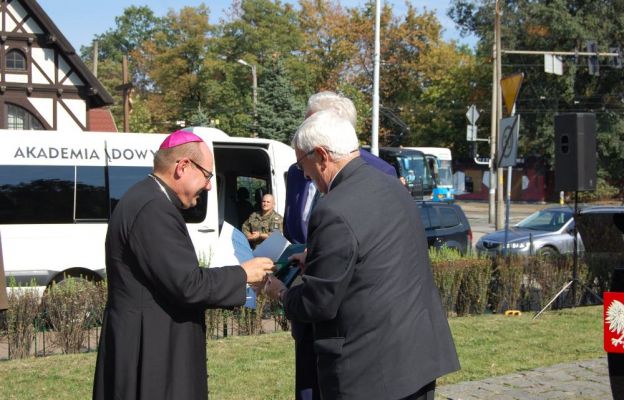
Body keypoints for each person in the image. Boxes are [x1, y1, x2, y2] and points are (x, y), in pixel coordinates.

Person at [265, 110, 460, 400]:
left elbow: (319, 303)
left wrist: (280, 294)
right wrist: (319, 260)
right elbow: (378, 257)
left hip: (369, 370)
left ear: (321, 155)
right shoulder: (392, 187)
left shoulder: (332, 209)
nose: (304, 174)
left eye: (302, 164)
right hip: (417, 357)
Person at [92, 130, 274, 400]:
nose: (210, 186)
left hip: (154, 338)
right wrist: (242, 274)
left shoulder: (149, 198)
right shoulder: (153, 208)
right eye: (207, 175)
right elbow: (187, 284)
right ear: (183, 167)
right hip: (152, 349)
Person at [282, 91, 397, 400]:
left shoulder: (380, 174)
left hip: (350, 325)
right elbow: (295, 225)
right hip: (310, 299)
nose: (301, 139)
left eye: (312, 124)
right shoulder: (296, 171)